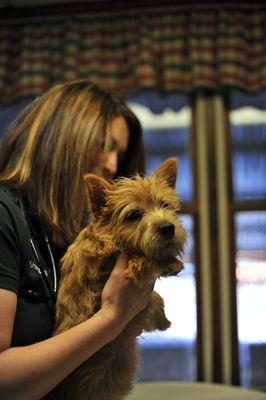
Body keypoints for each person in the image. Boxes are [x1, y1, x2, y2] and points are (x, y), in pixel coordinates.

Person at [0, 80, 154, 400]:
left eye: (120, 155)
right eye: (105, 144)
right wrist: (112, 317)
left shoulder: (59, 233)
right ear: (63, 137)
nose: (113, 165)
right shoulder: (4, 214)